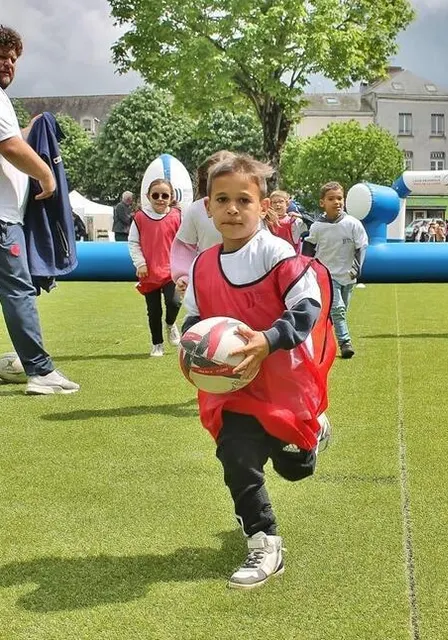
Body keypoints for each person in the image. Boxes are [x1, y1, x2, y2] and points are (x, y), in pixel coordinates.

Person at [181, 152, 335, 590]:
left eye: (243, 200)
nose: (232, 209)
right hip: (231, 389)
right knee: (237, 456)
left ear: (263, 207)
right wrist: (195, 345)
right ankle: (264, 541)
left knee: (295, 469)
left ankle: (313, 431)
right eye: (222, 199)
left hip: (282, 383)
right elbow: (194, 319)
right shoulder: (202, 264)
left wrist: (267, 339)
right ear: (206, 207)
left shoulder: (277, 252)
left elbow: (307, 307)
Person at [0, 25, 79, 394]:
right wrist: (47, 175)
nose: (8, 62)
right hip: (2, 220)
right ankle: (40, 371)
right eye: (2, 54)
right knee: (18, 291)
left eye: (13, 57)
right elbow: (11, 147)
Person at [302, 181, 368, 359]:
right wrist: (307, 268)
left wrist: (358, 266)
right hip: (327, 275)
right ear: (322, 202)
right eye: (331, 199)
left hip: (348, 275)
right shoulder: (317, 226)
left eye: (339, 198)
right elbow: (308, 248)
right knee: (337, 309)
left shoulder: (353, 224)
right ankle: (345, 343)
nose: (336, 202)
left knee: (340, 312)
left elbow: (361, 246)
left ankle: (322, 335)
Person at [129, 178, 182, 356]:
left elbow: (184, 242)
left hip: (171, 271)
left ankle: (170, 323)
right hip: (149, 272)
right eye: (156, 195)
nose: (160, 199)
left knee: (174, 302)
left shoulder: (177, 216)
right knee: (153, 311)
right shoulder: (140, 218)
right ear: (148, 196)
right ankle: (157, 344)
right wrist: (140, 263)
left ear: (171, 197)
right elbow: (133, 242)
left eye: (165, 195)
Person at [170, 153, 228, 293]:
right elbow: (185, 246)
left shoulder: (250, 209)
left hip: (246, 283)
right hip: (208, 283)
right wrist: (184, 275)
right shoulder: (196, 209)